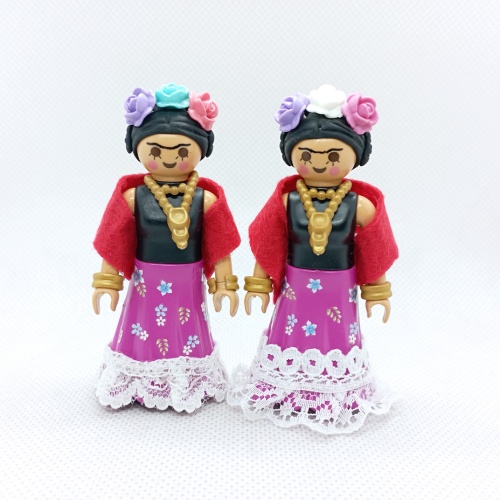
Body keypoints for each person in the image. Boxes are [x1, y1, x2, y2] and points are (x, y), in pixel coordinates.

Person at [228, 85, 398, 433]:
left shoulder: (360, 206)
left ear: (356, 154)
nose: (319, 163)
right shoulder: (288, 201)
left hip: (339, 288)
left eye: (333, 156)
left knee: (336, 337)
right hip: (296, 286)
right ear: (291, 153)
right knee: (291, 333)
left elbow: (373, 250)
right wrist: (259, 283)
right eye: (307, 155)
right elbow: (269, 243)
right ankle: (286, 385)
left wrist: (376, 291)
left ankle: (334, 389)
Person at [92, 83, 240, 412]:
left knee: (187, 328)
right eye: (156, 151)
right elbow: (114, 241)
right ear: (137, 147)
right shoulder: (133, 197)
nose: (169, 159)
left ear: (201, 149)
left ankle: (188, 378)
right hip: (145, 283)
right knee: (142, 326)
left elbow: (220, 247)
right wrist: (108, 281)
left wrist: (224, 285)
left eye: (182, 152)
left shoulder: (205, 199)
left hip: (188, 282)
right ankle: (138, 376)